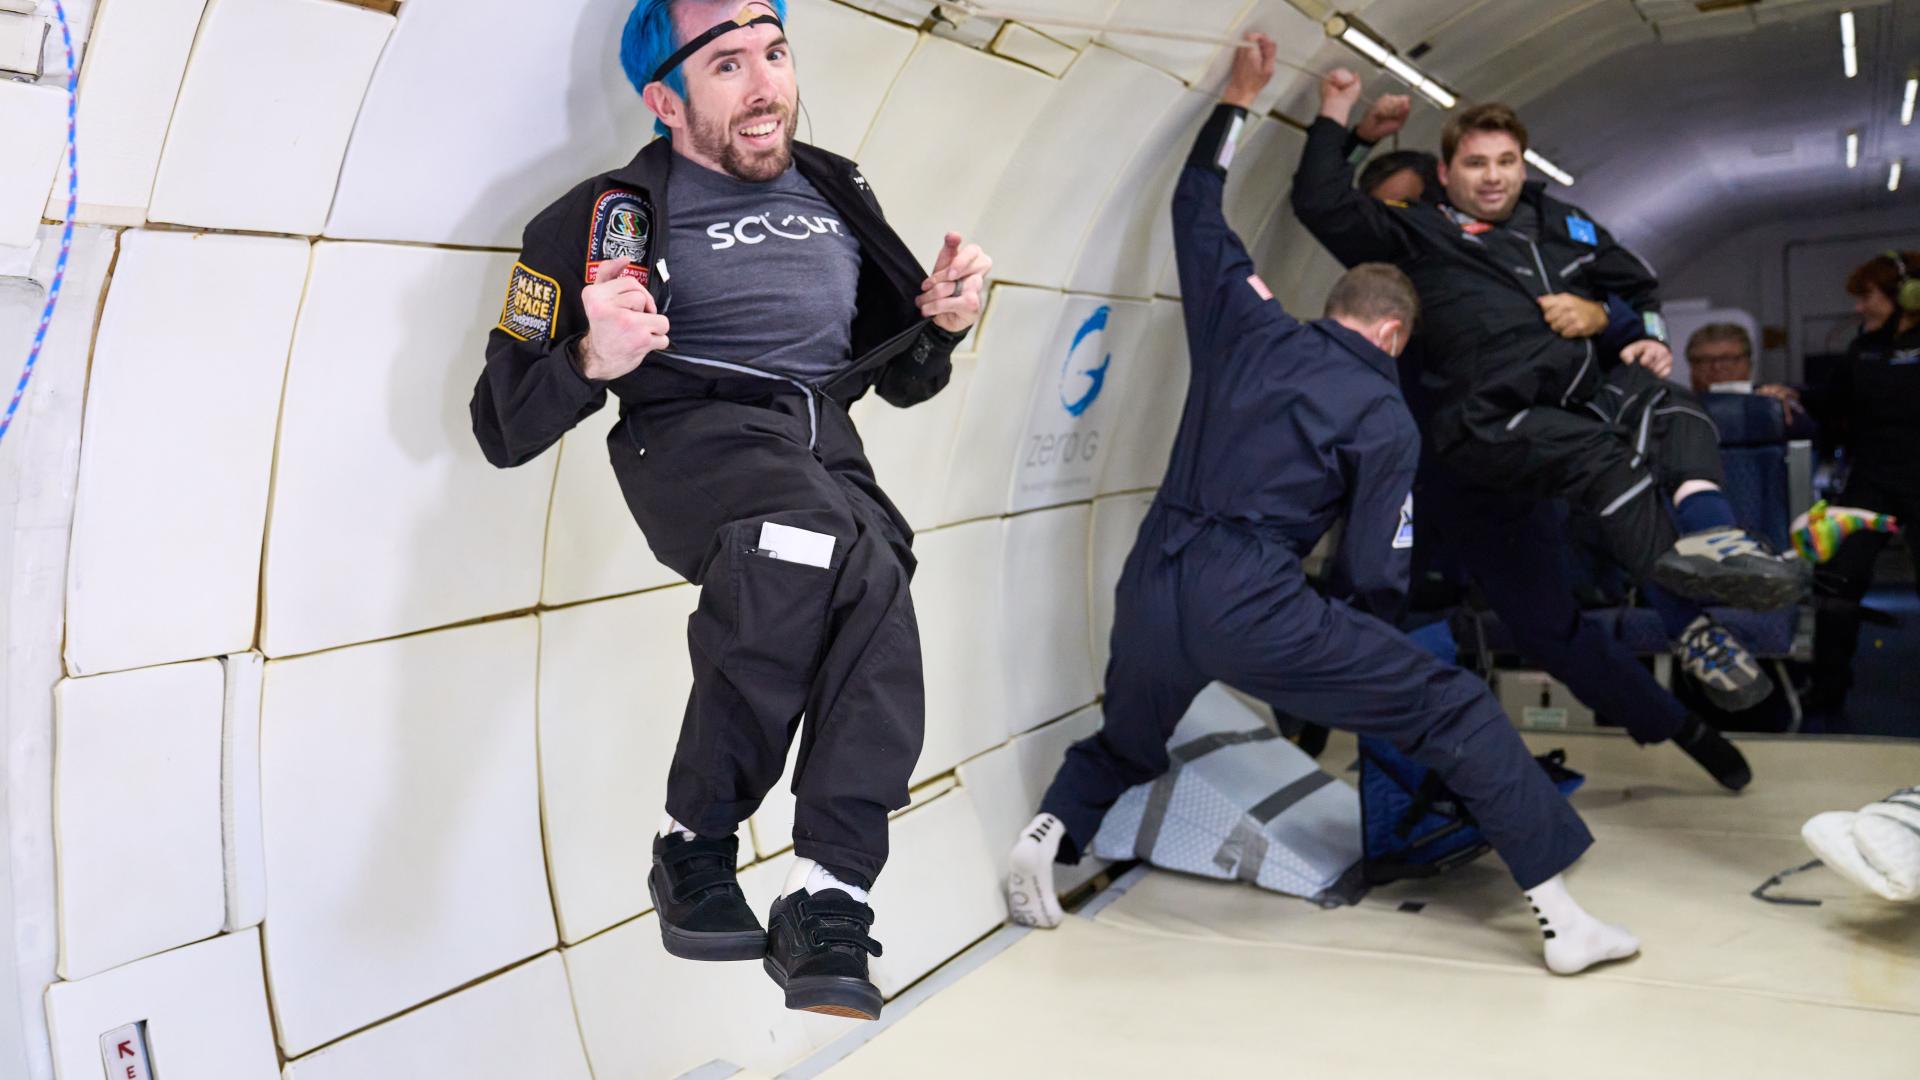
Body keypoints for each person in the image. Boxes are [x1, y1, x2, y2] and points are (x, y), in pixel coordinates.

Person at [1004, 36, 1638, 977]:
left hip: (1154, 579)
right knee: (1455, 707)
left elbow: (1196, 207)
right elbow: (1373, 571)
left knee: (1132, 737)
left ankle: (1049, 840)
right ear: (1392, 330)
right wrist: (1354, 657)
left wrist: (1237, 100)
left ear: (1334, 304)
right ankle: (1562, 920)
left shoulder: (1246, 321)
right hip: (1254, 603)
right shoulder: (1387, 415)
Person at [469, 0, 991, 1021]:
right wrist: (592, 358)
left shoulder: (837, 187)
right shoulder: (594, 219)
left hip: (822, 439)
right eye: (728, 66)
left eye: (776, 53)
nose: (767, 87)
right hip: (694, 434)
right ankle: (699, 833)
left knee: (880, 576)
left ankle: (825, 896)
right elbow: (500, 423)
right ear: (665, 99)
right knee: (807, 541)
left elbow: (904, 378)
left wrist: (944, 321)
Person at [1293, 73, 1808, 739]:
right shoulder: (1412, 244)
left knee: (1554, 610)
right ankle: (1306, 728)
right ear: (1445, 177)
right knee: (1363, 593)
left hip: (1530, 449)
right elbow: (1325, 203)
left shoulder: (1548, 233)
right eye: (1475, 164)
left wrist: (1610, 320)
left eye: (1504, 162)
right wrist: (1348, 125)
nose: (1490, 177)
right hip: (1437, 461)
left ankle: (1689, 710)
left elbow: (1628, 301)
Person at [1806, 252, 1920, 718]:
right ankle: (1827, 691)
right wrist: (1788, 396)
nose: (1859, 308)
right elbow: (1829, 404)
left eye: (1867, 297)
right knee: (1837, 580)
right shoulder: (1863, 348)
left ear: (1905, 295)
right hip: (1871, 479)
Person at [1686, 323, 1815, 437]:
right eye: (1705, 360)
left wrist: (1783, 405)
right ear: (1692, 366)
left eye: (1728, 358)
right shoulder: (1680, 408)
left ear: (1749, 363)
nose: (1717, 367)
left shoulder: (1770, 402)